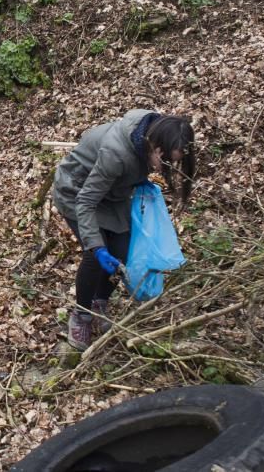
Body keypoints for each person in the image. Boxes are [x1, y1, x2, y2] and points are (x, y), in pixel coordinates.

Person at [52, 111, 196, 350]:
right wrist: (97, 247)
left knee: (123, 251)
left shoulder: (150, 133)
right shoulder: (116, 154)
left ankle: (100, 303)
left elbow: (130, 169)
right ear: (156, 149)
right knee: (96, 254)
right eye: (168, 162)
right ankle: (82, 314)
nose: (167, 169)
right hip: (76, 191)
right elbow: (86, 201)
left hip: (113, 194)